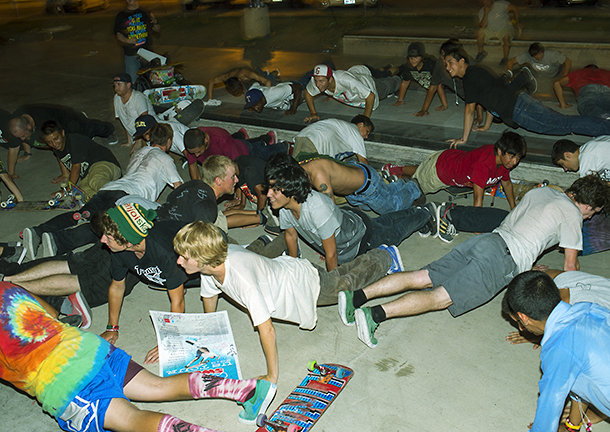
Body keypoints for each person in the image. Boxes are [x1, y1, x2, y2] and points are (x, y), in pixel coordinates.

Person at [339, 174, 610, 348]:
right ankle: (374, 315)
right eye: (591, 214)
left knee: (422, 276)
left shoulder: (544, 191)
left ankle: (357, 298)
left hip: (487, 241)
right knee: (439, 298)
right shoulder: (573, 215)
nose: (587, 219)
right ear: (587, 205)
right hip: (502, 261)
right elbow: (571, 270)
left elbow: (524, 224)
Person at [0, 281, 276, 431]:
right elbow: (50, 314)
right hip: (90, 349)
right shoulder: (6, 288)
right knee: (158, 386)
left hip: (65, 382)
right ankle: (249, 389)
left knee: (133, 420)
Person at [173, 220, 400, 385]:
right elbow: (210, 296)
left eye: (184, 256)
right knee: (339, 276)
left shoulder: (240, 278)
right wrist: (209, 329)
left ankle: (386, 257)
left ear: (203, 258)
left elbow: (267, 331)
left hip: (302, 284)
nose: (179, 260)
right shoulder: (210, 267)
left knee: (346, 284)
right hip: (286, 271)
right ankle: (376, 256)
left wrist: (271, 376)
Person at [22, 122, 182, 260]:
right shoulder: (165, 159)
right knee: (105, 229)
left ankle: (37, 231)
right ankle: (57, 242)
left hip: (110, 188)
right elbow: (180, 189)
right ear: (169, 141)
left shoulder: (139, 152)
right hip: (127, 196)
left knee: (80, 215)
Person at [265, 153, 431, 272]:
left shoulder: (316, 181)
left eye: (275, 189)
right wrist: (293, 266)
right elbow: (291, 235)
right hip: (352, 205)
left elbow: (328, 208)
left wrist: (327, 243)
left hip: (366, 189)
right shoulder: (287, 202)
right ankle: (397, 186)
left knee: (393, 224)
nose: (268, 195)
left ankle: (424, 210)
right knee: (382, 222)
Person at [502, 271, 610, 432]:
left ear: (524, 318)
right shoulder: (589, 309)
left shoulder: (560, 348)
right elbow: (580, 380)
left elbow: (549, 411)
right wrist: (571, 427)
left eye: (519, 322)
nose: (520, 328)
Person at [443, 48, 610, 147]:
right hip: (521, 103)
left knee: (565, 124)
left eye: (451, 62)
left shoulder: (469, 78)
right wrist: (486, 126)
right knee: (565, 122)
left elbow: (470, 110)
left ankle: (606, 128)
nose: (448, 67)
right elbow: (490, 101)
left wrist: (464, 139)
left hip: (520, 110)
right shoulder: (477, 71)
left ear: (462, 61)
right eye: (445, 64)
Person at [93, 203, 189, 364]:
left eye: (108, 237)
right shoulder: (119, 249)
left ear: (129, 242)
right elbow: (117, 287)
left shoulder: (166, 252)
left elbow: (177, 301)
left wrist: (168, 342)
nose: (102, 240)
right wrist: (112, 328)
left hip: (205, 258)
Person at [384, 131, 525, 211]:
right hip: (440, 171)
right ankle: (395, 177)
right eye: (512, 157)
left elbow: (507, 184)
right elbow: (478, 198)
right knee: (415, 188)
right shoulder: (484, 164)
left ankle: (396, 170)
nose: (515, 162)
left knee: (422, 170)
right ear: (500, 151)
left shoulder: (504, 163)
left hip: (449, 160)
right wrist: (477, 225)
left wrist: (513, 207)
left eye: (518, 157)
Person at [506, 267, 610, 348]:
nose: (521, 328)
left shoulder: (576, 326)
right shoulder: (557, 279)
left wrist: (542, 335)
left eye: (521, 321)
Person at [8, 104, 117, 179]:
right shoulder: (17, 119)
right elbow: (23, 138)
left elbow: (59, 148)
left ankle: (109, 129)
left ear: (29, 126)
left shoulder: (43, 123)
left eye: (23, 136)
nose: (22, 139)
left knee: (88, 130)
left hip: (69, 120)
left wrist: (65, 175)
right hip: (51, 120)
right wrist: (27, 153)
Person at [297, 153, 423, 214]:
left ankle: (413, 188)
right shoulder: (300, 166)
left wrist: (329, 243)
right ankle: (400, 185)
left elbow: (332, 211)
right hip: (353, 188)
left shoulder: (318, 177)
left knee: (391, 208)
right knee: (368, 207)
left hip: (368, 185)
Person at [552, 137, 610, 256]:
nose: (566, 169)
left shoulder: (588, 157)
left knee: (586, 213)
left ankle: (573, 244)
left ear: (568, 155)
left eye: (563, 164)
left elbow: (585, 197)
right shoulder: (591, 147)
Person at [41, 120, 122, 197]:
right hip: (88, 174)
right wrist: (65, 174)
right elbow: (60, 157)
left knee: (96, 181)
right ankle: (107, 203)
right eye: (49, 142)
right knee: (83, 193)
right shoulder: (56, 147)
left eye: (56, 138)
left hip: (103, 162)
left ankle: (120, 196)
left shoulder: (74, 141)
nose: (54, 144)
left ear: (62, 133)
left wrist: (69, 189)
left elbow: (76, 168)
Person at [304, 64, 401, 121]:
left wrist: (364, 120)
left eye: (321, 81)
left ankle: (400, 72)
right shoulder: (317, 80)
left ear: (330, 79)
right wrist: (313, 113)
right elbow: (308, 93)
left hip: (369, 83)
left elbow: (370, 96)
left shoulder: (345, 80)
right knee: (381, 73)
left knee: (389, 84)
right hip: (355, 74)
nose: (317, 84)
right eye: (316, 81)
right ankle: (384, 68)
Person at [183, 126, 284, 180]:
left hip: (245, 153)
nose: (196, 156)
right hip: (235, 145)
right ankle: (264, 139)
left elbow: (237, 167)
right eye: (193, 153)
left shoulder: (221, 140)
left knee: (259, 154)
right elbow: (193, 166)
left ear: (205, 140)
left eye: (199, 152)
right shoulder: (193, 141)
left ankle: (284, 146)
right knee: (249, 143)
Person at [293, 115, 372, 163]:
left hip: (302, 135)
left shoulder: (343, 129)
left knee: (294, 173)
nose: (366, 136)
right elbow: (363, 161)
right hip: (315, 140)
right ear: (361, 125)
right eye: (367, 132)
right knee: (307, 174)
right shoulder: (355, 131)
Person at [114, 0, 160, 83]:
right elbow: (118, 34)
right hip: (131, 54)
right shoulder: (121, 16)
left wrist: (155, 22)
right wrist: (128, 41)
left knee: (151, 81)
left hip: (147, 54)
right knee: (133, 81)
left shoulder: (145, 13)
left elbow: (157, 30)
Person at [113, 72, 157, 151]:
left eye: (119, 84)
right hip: (136, 134)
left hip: (148, 133)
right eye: (115, 85)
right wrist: (129, 142)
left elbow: (144, 120)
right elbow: (124, 120)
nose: (116, 88)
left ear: (128, 85)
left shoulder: (138, 97)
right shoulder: (116, 98)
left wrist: (138, 141)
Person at [392, 43, 440, 110]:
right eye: (411, 58)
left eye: (416, 57)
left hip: (440, 85)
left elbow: (438, 84)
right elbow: (405, 82)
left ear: (422, 57)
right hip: (428, 85)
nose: (413, 60)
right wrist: (400, 100)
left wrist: (424, 109)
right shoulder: (409, 65)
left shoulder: (430, 64)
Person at [475, 0, 521, 65]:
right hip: (491, 29)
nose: (486, 2)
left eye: (488, 0)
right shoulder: (482, 11)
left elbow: (514, 8)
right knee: (480, 32)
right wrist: (486, 13)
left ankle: (505, 58)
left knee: (506, 38)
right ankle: (481, 52)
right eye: (484, 1)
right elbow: (482, 25)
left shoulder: (501, 4)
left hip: (505, 28)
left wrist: (517, 22)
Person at [506, 42, 571, 80]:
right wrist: (511, 77)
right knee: (523, 68)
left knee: (560, 59)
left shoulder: (550, 54)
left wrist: (564, 77)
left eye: (540, 53)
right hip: (538, 74)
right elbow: (510, 62)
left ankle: (560, 55)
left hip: (554, 73)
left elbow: (568, 61)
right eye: (535, 55)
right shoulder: (528, 56)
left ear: (542, 51)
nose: (538, 56)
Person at [207, 66, 278, 101]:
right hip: (248, 81)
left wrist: (267, 99)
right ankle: (265, 73)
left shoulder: (248, 74)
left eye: (242, 90)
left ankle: (274, 73)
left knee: (270, 82)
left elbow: (267, 82)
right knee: (253, 91)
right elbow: (211, 81)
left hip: (255, 74)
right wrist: (210, 99)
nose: (243, 92)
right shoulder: (228, 77)